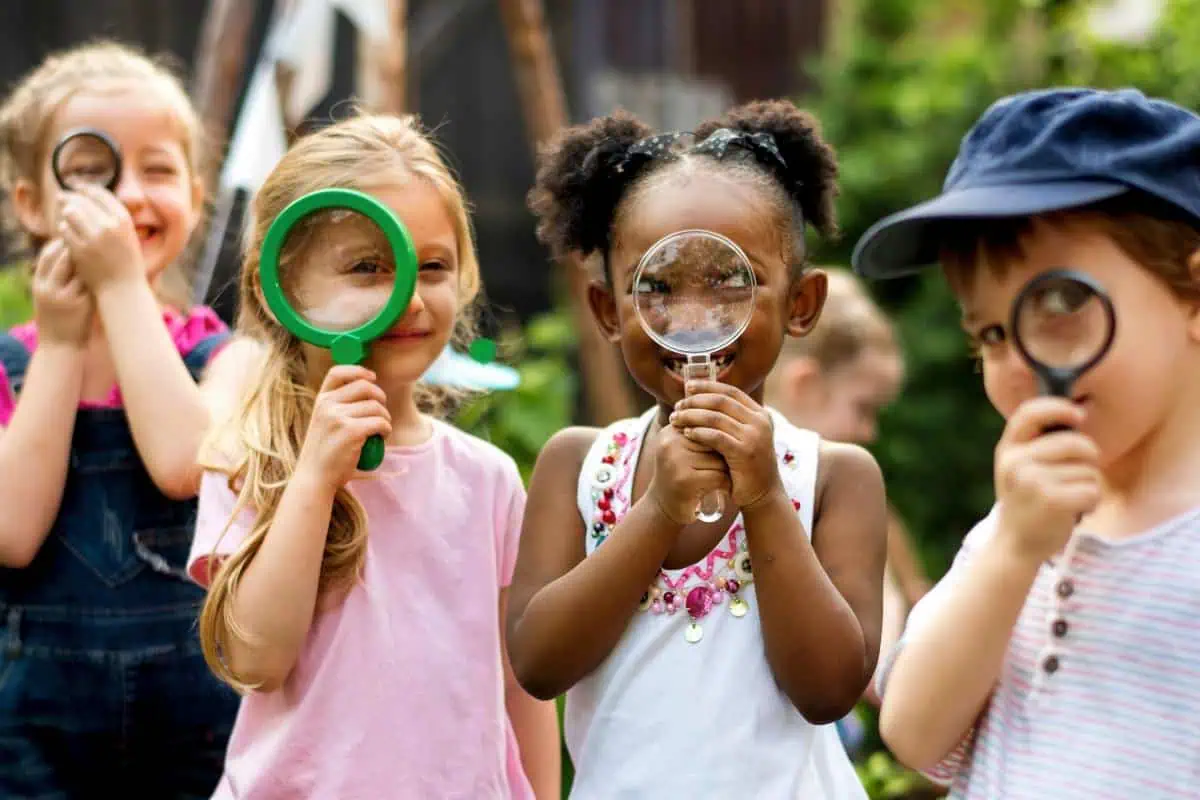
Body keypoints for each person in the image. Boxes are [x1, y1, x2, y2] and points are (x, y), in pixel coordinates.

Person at [507, 100, 888, 797]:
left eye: (728, 282)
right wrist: (657, 510)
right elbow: (537, 662)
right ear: (606, 313)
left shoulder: (836, 479)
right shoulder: (578, 467)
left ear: (801, 304)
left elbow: (829, 689)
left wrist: (766, 497)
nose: (693, 319)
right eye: (656, 288)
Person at [188, 111, 561, 799]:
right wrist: (315, 479)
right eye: (368, 267)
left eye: (435, 267)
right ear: (284, 288)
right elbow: (255, 658)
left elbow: (521, 683)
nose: (410, 299)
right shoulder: (250, 459)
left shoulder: (489, 481)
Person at [853, 87, 1200, 798]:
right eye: (989, 334)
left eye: (1063, 304)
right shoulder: (1018, 525)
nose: (1020, 364)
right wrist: (1013, 548)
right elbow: (915, 730)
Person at [0, 41, 247, 796]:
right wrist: (66, 340)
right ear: (32, 205)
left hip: (199, 726)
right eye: (91, 169)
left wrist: (119, 291)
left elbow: (185, 464)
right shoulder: (11, 363)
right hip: (31, 737)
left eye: (159, 169)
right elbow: (12, 533)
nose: (128, 194)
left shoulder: (227, 356)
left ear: (197, 199)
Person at [765, 267, 929, 755]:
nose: (869, 432)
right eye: (863, 408)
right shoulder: (809, 510)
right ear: (805, 385)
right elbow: (878, 675)